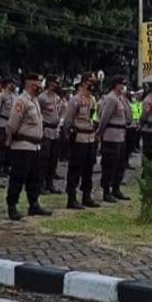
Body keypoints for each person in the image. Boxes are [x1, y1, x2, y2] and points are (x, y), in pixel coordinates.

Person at [4, 73, 52, 220]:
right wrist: (9, 141)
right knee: (18, 178)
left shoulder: (35, 101)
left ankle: (34, 204)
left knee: (34, 178)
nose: (40, 86)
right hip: (22, 146)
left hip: (35, 146)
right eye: (37, 84)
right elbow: (12, 124)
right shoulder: (21, 101)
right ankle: (12, 206)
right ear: (30, 84)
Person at [63, 73, 99, 210]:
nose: (93, 85)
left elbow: (94, 117)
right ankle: (71, 198)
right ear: (84, 83)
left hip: (90, 137)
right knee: (75, 169)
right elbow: (68, 121)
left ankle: (87, 195)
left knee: (88, 169)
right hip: (79, 138)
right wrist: (70, 135)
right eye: (90, 82)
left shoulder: (93, 99)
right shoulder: (75, 100)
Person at [97, 75, 131, 203]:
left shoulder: (120, 99)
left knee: (120, 164)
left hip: (121, 135)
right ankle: (107, 191)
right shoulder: (111, 98)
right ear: (115, 85)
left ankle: (116, 188)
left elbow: (128, 115)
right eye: (121, 84)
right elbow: (104, 117)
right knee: (109, 164)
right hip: (111, 135)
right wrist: (100, 133)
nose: (123, 87)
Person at [38, 76, 63, 195]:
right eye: (53, 83)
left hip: (55, 131)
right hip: (45, 130)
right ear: (48, 83)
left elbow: (59, 112)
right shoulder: (42, 97)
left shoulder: (57, 98)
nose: (55, 85)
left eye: (56, 83)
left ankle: (50, 183)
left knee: (53, 159)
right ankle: (40, 184)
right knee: (44, 159)